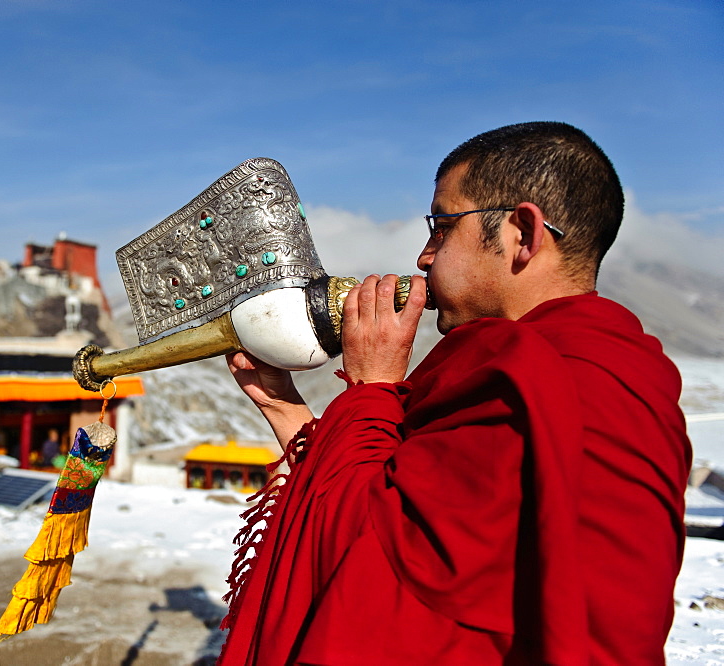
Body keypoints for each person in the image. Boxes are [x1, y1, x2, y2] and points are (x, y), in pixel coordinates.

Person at [219, 122, 692, 665]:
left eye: (441, 227)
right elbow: (385, 502)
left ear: (522, 233)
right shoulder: (627, 372)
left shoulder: (539, 382)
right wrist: (286, 408)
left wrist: (374, 385)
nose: (424, 256)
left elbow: (366, 558)